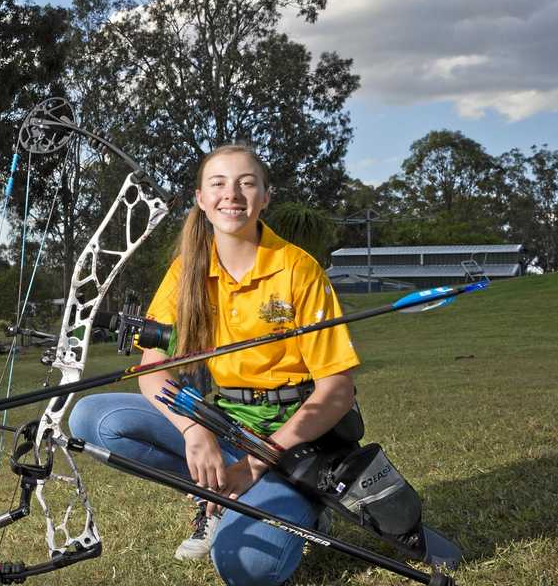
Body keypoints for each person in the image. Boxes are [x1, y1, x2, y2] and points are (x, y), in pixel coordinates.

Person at [68, 144, 359, 586]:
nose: (233, 194)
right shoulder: (187, 271)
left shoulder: (298, 269)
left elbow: (336, 391)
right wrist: (193, 430)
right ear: (201, 199)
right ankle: (213, 494)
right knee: (93, 418)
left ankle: (305, 512)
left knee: (248, 569)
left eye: (246, 183)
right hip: (222, 425)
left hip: (292, 446)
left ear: (265, 196)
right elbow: (153, 365)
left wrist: (256, 464)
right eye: (218, 183)